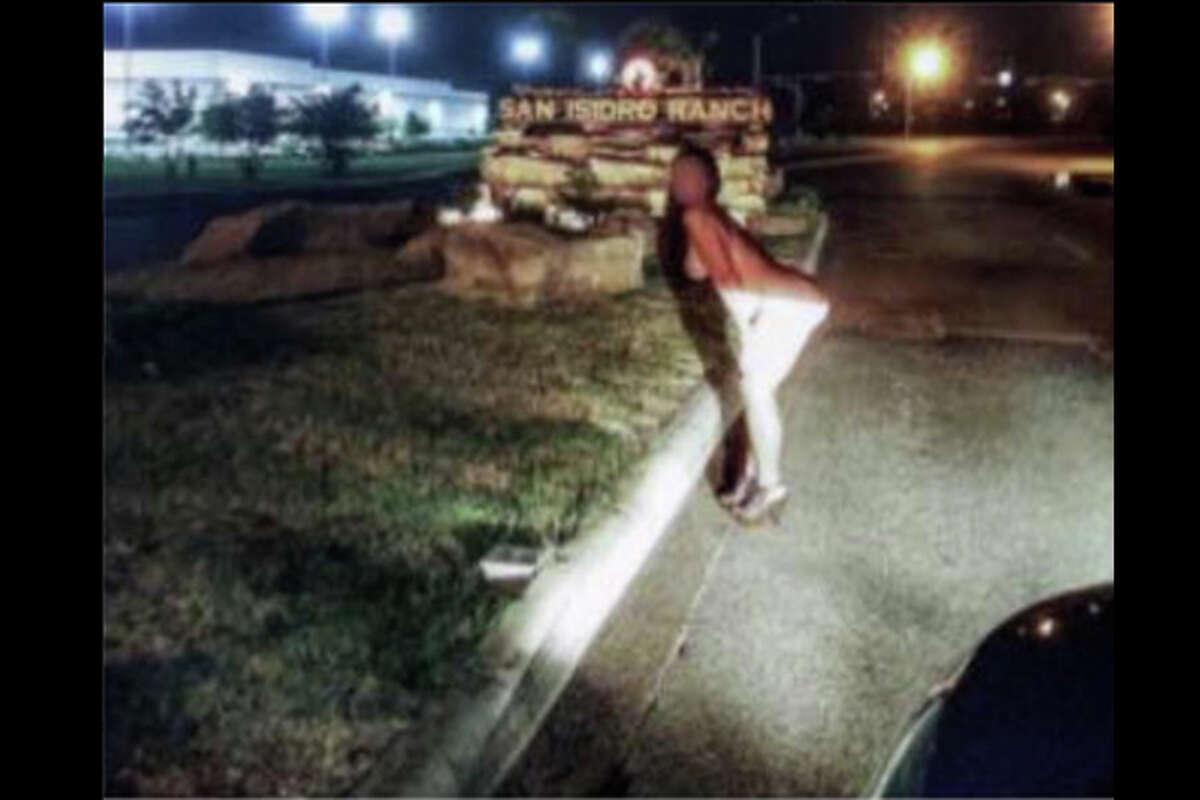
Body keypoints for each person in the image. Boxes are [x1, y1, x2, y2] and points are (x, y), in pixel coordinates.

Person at [666, 145, 830, 525]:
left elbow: (728, 276)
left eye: (688, 174)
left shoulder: (697, 215)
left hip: (779, 308)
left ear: (708, 181)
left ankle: (771, 488)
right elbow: (697, 269)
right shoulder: (707, 215)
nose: (679, 181)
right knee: (757, 393)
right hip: (788, 302)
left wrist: (752, 326)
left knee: (755, 388)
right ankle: (751, 481)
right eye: (675, 174)